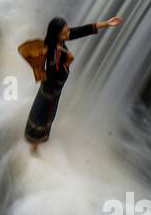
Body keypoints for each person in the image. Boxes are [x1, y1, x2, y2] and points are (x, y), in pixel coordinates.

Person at [24, 14, 123, 152]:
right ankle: (33, 144)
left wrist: (106, 23)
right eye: (65, 32)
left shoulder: (57, 41)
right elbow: (54, 76)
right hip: (51, 90)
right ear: (57, 34)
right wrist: (67, 63)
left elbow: (79, 31)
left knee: (46, 114)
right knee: (43, 115)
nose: (68, 34)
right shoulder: (54, 53)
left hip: (52, 90)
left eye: (67, 30)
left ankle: (36, 142)